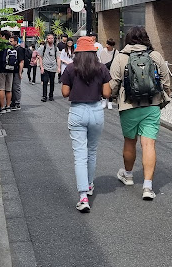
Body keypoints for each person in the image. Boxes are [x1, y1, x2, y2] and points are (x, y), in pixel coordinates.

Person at [109, 26, 171, 200]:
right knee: (148, 145)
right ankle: (147, 187)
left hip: (128, 104)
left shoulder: (121, 56)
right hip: (152, 104)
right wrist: (164, 98)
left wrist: (113, 98)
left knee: (130, 141)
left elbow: (114, 83)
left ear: (128, 39)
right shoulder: (155, 56)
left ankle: (128, 176)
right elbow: (166, 82)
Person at [62, 36, 111, 213]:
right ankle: (89, 185)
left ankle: (83, 196)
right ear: (93, 51)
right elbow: (106, 94)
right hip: (96, 111)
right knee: (92, 151)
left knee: (80, 155)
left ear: (76, 52)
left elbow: (65, 92)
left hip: (77, 112)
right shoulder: (101, 68)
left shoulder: (70, 68)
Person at [38, 33, 59, 102]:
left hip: (53, 67)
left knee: (52, 82)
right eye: (49, 38)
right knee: (45, 81)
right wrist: (41, 67)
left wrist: (58, 67)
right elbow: (40, 57)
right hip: (45, 67)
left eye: (52, 38)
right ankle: (44, 96)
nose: (51, 39)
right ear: (47, 39)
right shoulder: (43, 48)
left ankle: (51, 95)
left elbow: (57, 58)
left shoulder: (56, 48)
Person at [9, 35, 25, 111]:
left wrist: (20, 72)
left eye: (11, 41)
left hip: (17, 70)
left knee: (16, 87)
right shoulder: (12, 48)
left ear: (16, 41)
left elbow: (21, 61)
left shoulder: (20, 49)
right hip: (11, 70)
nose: (10, 42)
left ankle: (17, 103)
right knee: (12, 87)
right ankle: (13, 102)